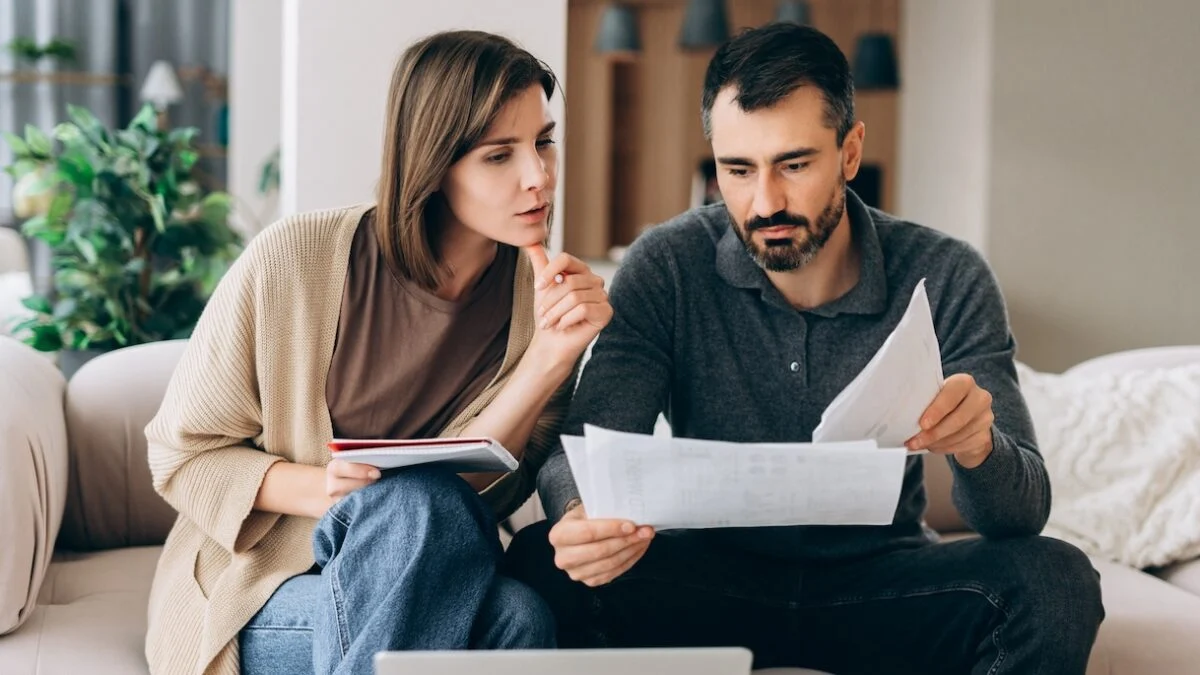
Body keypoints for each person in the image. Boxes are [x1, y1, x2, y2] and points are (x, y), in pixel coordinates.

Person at [507, 22, 1104, 675]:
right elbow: (586, 445)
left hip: (883, 582)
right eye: (738, 170)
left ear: (849, 153)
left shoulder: (949, 272)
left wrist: (977, 445)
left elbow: (1020, 515)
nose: (766, 201)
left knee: (1056, 580)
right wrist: (578, 514)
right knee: (540, 559)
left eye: (794, 164)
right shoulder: (668, 263)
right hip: (708, 579)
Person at [143, 30, 612, 675]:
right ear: (432, 163)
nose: (539, 176)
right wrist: (329, 491)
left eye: (543, 142)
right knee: (413, 506)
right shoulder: (294, 263)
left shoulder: (545, 307)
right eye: (499, 155)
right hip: (267, 589)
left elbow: (483, 499)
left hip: (435, 572)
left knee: (520, 614)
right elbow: (182, 455)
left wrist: (549, 362)